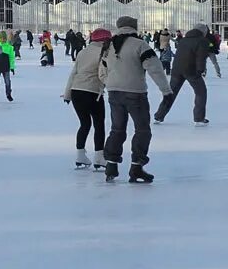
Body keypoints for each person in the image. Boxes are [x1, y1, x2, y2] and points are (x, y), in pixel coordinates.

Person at [99, 16, 173, 183]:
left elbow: (102, 70)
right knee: (142, 130)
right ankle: (136, 167)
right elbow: (155, 68)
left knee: (117, 129)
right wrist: (166, 91)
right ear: (134, 27)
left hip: (114, 93)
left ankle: (111, 165)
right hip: (135, 93)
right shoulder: (140, 44)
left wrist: (110, 83)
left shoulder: (108, 45)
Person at [63, 28, 110, 170]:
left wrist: (67, 94)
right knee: (99, 124)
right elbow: (103, 74)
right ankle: (99, 157)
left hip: (76, 91)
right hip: (92, 92)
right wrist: (113, 85)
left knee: (84, 124)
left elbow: (73, 73)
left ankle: (80, 154)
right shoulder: (104, 52)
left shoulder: (83, 52)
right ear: (105, 40)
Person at [153, 23, 211, 126]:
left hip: (177, 69)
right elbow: (201, 57)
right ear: (204, 32)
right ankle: (199, 118)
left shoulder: (184, 40)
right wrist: (200, 70)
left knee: (171, 93)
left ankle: (159, 116)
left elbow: (180, 54)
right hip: (191, 70)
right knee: (201, 92)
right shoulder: (202, 41)